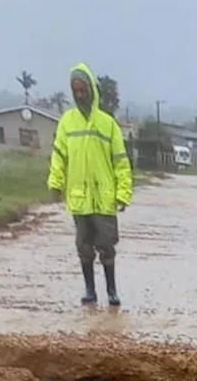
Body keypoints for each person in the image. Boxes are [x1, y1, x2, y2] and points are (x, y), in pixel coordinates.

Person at [48, 63, 133, 306]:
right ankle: (90, 290)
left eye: (83, 90)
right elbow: (59, 156)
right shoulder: (67, 122)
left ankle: (112, 292)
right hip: (79, 198)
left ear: (92, 90)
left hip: (104, 198)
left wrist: (123, 193)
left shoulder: (108, 124)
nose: (80, 95)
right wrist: (55, 182)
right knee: (83, 246)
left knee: (106, 246)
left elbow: (121, 162)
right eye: (76, 91)